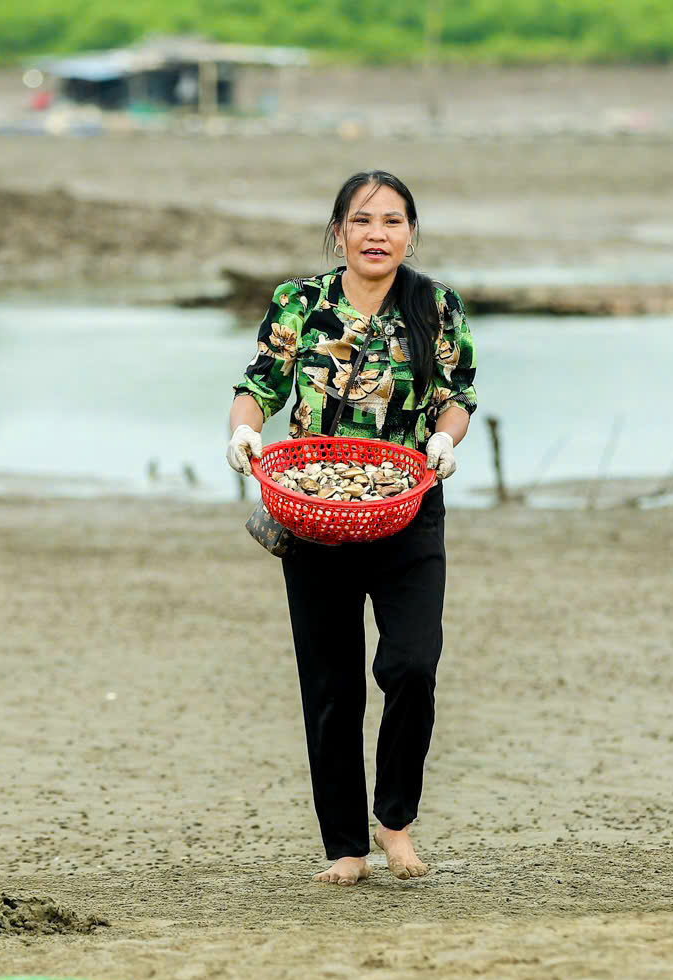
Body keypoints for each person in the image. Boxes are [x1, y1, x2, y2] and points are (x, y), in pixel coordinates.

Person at [224, 169, 478, 885]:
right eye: (363, 220)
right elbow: (260, 385)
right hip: (315, 511)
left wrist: (445, 441)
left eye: (393, 221)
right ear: (338, 231)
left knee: (412, 663)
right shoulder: (299, 304)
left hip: (406, 507)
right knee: (332, 686)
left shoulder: (437, 306)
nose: (377, 234)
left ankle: (395, 821)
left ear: (411, 233)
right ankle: (346, 845)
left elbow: (457, 396)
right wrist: (242, 433)